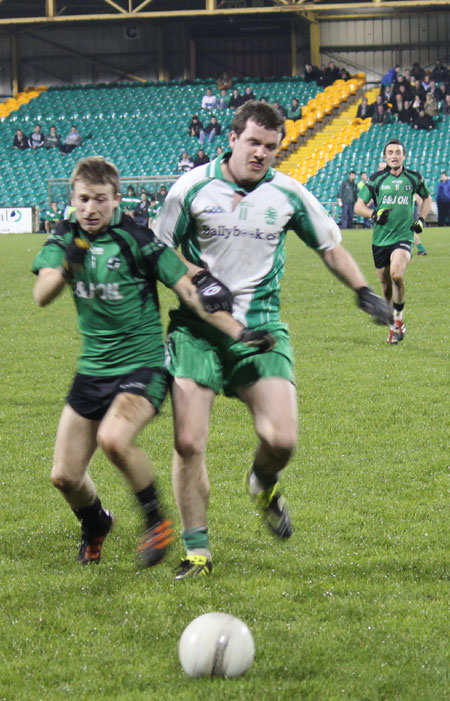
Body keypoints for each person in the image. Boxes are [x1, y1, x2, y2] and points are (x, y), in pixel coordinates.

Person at [154, 101, 392, 580]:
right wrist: (197, 276)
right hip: (198, 330)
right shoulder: (193, 187)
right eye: (253, 143)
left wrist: (363, 289)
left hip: (260, 329)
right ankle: (197, 552)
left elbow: (330, 246)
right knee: (187, 441)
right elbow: (158, 246)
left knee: (281, 439)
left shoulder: (287, 193)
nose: (261, 154)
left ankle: (262, 483)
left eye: (270, 147)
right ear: (233, 139)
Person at [31, 155, 263, 568]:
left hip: (141, 366)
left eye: (100, 199)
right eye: (83, 199)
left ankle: (156, 521)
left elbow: (189, 291)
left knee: (114, 439)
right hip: (92, 370)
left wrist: (239, 333)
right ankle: (97, 523)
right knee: (64, 477)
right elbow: (42, 294)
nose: (90, 209)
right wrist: (72, 260)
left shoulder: (137, 238)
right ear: (72, 199)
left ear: (117, 199)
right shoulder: (64, 237)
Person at [355, 138, 431, 345]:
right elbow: (358, 206)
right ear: (385, 156)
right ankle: (392, 325)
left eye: (398, 152)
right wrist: (373, 214)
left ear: (404, 156)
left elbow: (427, 198)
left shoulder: (414, 178)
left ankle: (398, 319)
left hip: (403, 236)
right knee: (385, 286)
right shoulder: (376, 179)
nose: (394, 156)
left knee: (396, 274)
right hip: (380, 239)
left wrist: (421, 220)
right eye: (390, 153)